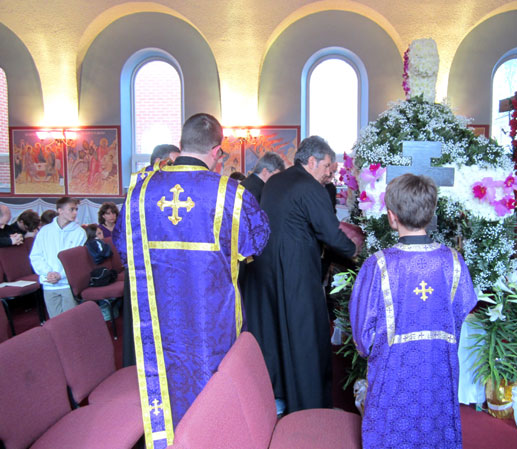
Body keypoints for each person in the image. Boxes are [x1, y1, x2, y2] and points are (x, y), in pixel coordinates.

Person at [113, 112, 270, 448]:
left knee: (166, 380)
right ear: (217, 152)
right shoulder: (230, 193)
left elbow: (121, 245)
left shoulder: (139, 193)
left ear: (181, 144)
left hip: (159, 320)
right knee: (211, 380)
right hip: (210, 319)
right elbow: (256, 240)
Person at [349, 174, 478, 449]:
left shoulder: (379, 266)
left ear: (392, 217)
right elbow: (463, 309)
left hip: (392, 372)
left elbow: (363, 337)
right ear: (430, 213)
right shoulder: (453, 262)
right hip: (438, 369)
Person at [242, 135, 358, 415]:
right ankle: (310, 403)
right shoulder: (310, 187)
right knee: (305, 333)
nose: (330, 172)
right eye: (328, 165)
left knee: (277, 331)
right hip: (295, 272)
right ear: (312, 161)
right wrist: (353, 251)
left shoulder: (277, 181)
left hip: (266, 272)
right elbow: (330, 232)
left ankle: (279, 395)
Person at [30, 197, 87, 319]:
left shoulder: (79, 232)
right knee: (55, 320)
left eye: (76, 209)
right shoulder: (45, 231)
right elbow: (36, 255)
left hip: (67, 283)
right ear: (60, 211)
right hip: (49, 282)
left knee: (71, 319)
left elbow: (76, 260)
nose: (75, 213)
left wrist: (61, 274)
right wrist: (47, 272)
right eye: (71, 209)